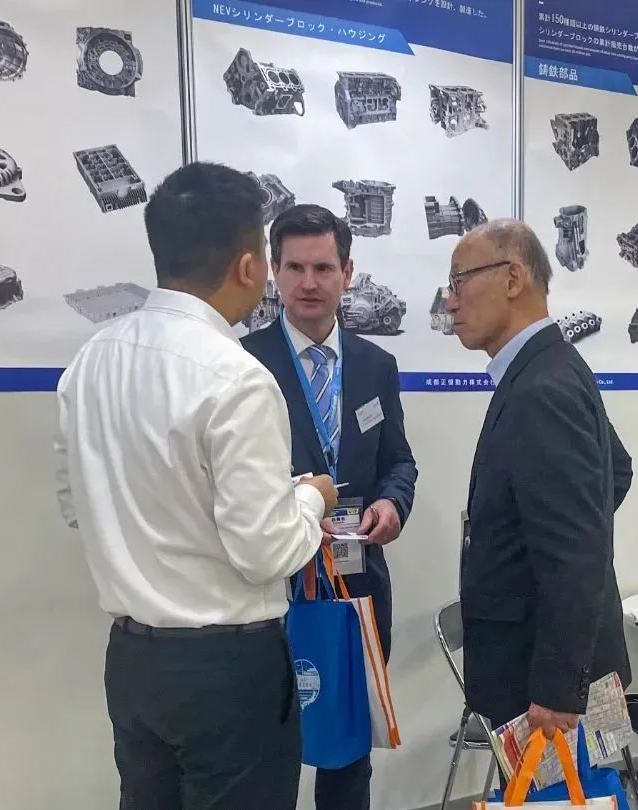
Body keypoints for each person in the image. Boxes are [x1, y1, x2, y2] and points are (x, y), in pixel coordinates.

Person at [54, 162, 338, 809]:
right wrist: (308, 497)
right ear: (248, 266)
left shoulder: (92, 360)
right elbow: (264, 551)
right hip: (226, 671)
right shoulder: (236, 377)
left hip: (134, 662)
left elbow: (76, 505)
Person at [242, 203, 417, 810]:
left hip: (357, 585)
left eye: (323, 267)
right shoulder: (244, 363)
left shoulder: (375, 365)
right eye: (294, 267)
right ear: (274, 271)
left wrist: (393, 502)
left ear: (348, 271)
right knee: (267, 753)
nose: (308, 283)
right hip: (273, 591)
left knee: (347, 754)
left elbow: (399, 460)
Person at [446, 219, 633, 734]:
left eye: (459, 281)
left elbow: (576, 544)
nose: (450, 301)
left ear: (512, 279)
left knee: (568, 784)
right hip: (549, 670)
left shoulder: (542, 388)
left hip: (547, 689)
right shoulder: (548, 366)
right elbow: (615, 473)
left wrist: (557, 688)